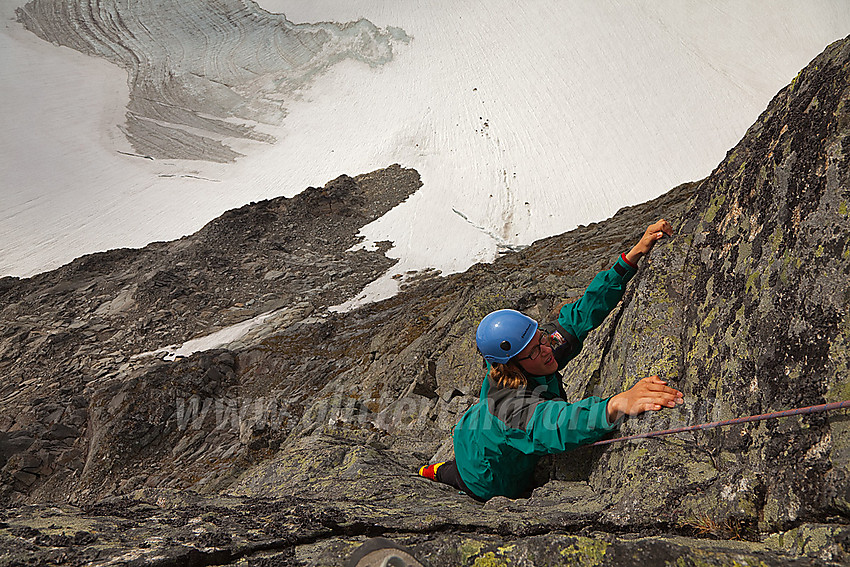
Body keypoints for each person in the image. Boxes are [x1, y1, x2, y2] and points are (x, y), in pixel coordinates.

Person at [418, 219, 684, 501]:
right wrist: (614, 405)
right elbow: (554, 423)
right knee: (457, 476)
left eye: (542, 339)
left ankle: (438, 468)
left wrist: (631, 258)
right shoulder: (508, 407)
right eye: (535, 351)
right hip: (485, 474)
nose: (547, 350)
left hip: (478, 432)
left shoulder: (532, 348)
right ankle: (434, 471)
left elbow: (580, 315)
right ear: (512, 364)